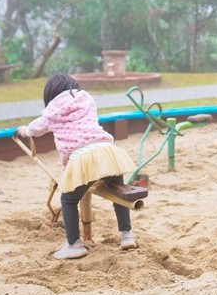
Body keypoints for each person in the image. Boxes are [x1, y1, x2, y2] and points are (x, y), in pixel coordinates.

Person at [18, 73, 137, 260]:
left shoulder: (51, 112)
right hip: (107, 151)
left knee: (68, 199)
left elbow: (35, 129)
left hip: (82, 157)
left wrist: (24, 131)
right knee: (117, 191)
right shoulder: (86, 99)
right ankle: (126, 235)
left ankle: (74, 244)